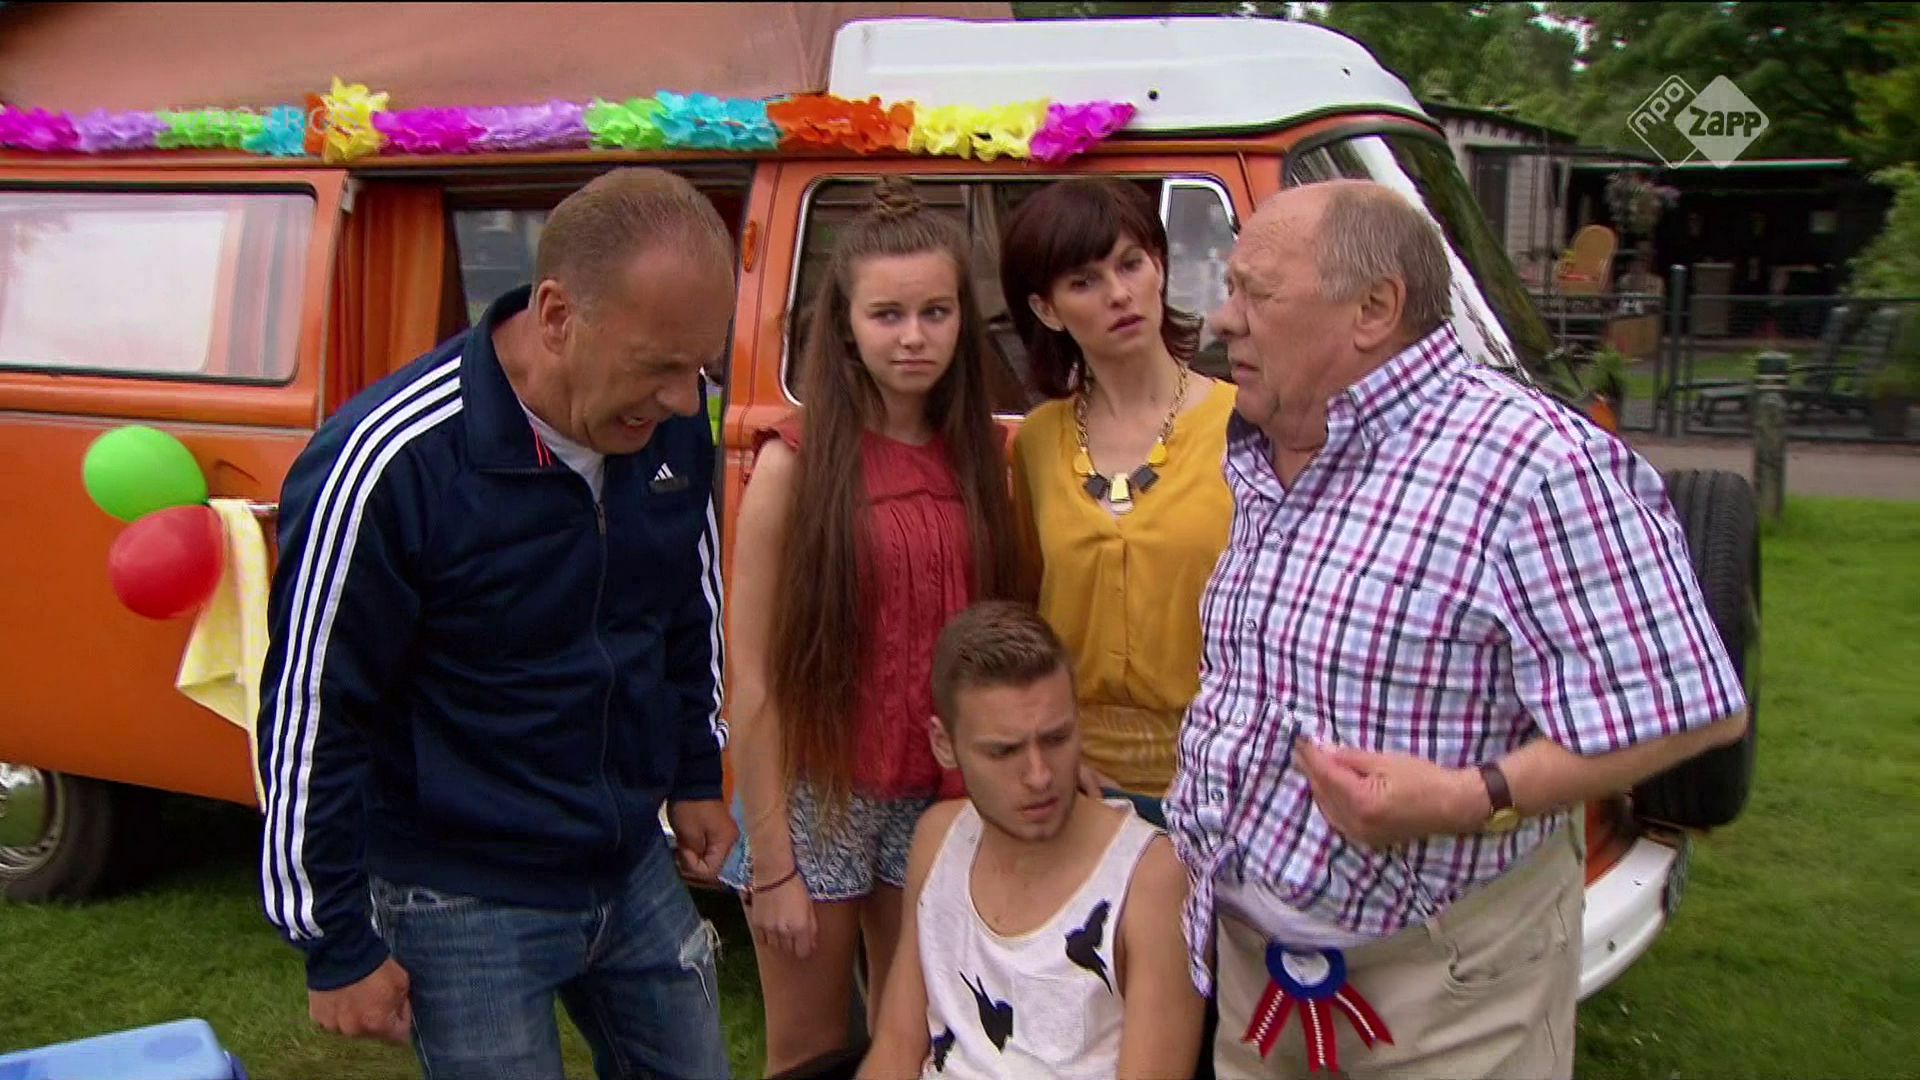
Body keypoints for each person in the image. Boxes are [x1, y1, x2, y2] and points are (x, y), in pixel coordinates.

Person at [1163, 178, 1750, 1080]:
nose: (1221, 318)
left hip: (1447, 995)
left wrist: (1468, 796)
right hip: (1257, 979)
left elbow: (1689, 709)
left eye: (1255, 292)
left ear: (1374, 309)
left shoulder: (1536, 465)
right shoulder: (1279, 435)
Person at [255, 168, 738, 1080]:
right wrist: (334, 939)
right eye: (659, 367)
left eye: (700, 367)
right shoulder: (385, 462)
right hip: (458, 893)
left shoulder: (672, 429)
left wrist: (693, 771)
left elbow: (686, 602)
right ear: (556, 315)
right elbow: (314, 711)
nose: (685, 399)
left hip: (629, 860)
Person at [719, 177, 1026, 1074]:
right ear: (846, 326)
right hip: (818, 795)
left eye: (935, 312)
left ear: (963, 320)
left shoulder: (986, 459)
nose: (913, 336)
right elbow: (752, 674)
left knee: (921, 1040)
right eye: (887, 315)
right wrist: (772, 862)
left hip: (939, 795)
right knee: (809, 1051)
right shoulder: (795, 462)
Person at [859, 601, 1205, 1080]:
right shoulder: (938, 840)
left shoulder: (1151, 880)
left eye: (1057, 739)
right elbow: (897, 1047)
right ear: (944, 745)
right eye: (1004, 751)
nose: (1039, 776)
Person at [997, 178, 1237, 820]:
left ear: (1159, 267)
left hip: (1222, 774)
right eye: (1084, 281)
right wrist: (1049, 750)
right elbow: (1027, 615)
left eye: (1131, 264)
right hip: (1080, 782)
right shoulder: (1039, 442)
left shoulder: (1244, 428)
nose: (1119, 294)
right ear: (1047, 309)